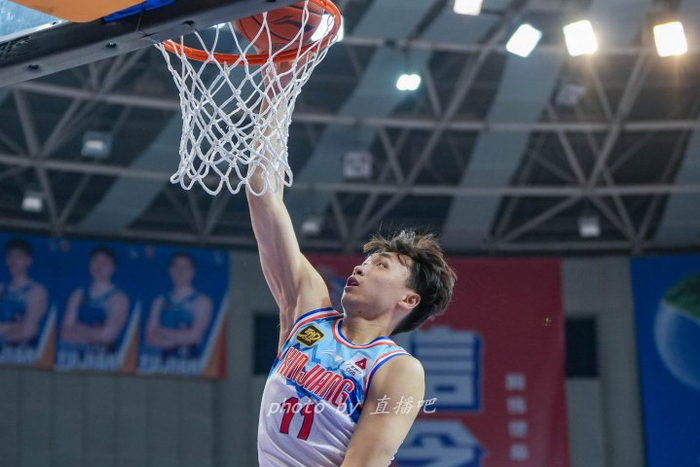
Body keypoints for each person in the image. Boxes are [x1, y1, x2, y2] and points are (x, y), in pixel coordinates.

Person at [252, 67, 457, 466]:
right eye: (364, 261)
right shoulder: (307, 311)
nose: (360, 269)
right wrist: (277, 87)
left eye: (380, 265)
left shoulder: (399, 370)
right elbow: (263, 193)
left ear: (409, 298)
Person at [145, 252, 212, 358]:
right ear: (170, 271)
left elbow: (194, 336)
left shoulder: (202, 301)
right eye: (176, 267)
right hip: (162, 362)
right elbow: (149, 337)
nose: (180, 272)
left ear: (193, 271)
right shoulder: (160, 301)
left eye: (185, 267)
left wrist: (162, 331)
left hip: (190, 362)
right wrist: (180, 338)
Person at [61, 246, 129, 349]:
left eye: (104, 263)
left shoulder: (119, 299)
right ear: (89, 265)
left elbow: (107, 337)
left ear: (113, 268)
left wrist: (78, 328)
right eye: (95, 261)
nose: (98, 266)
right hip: (72, 354)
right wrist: (95, 334)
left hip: (104, 356)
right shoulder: (77, 294)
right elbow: (65, 333)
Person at [0, 239, 48, 345]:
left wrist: (3, 334)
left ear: (28, 261)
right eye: (10, 256)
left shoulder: (36, 290)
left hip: (25, 351)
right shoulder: (1, 288)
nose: (13, 261)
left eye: (18, 257)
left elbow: (29, 331)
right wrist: (17, 325)